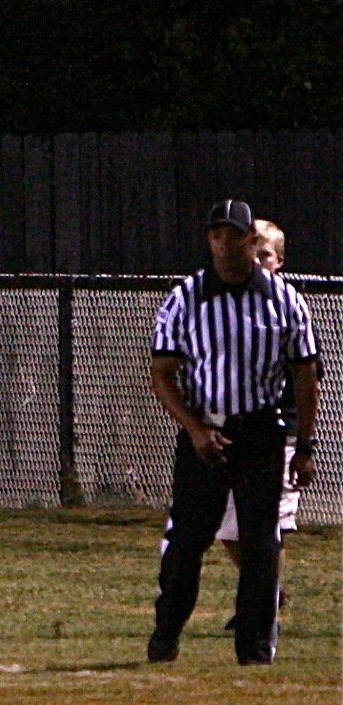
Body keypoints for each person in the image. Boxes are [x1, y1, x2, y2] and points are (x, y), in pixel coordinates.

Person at [148, 199, 321, 666]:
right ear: (209, 240)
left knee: (262, 541)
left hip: (261, 430)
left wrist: (304, 447)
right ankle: (167, 630)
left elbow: (306, 375)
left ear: (251, 240)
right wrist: (194, 427)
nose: (224, 246)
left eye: (234, 236)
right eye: (216, 236)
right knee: (187, 541)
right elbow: (162, 372)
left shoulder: (283, 299)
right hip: (206, 431)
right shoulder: (185, 297)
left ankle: (255, 648)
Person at [214, 219, 322, 629]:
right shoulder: (225, 307)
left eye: (265, 255)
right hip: (237, 432)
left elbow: (308, 374)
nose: (256, 262)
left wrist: (304, 443)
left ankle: (260, 608)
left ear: (279, 262)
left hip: (281, 432)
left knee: (270, 524)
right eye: (250, 252)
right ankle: (267, 592)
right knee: (228, 530)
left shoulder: (288, 307)